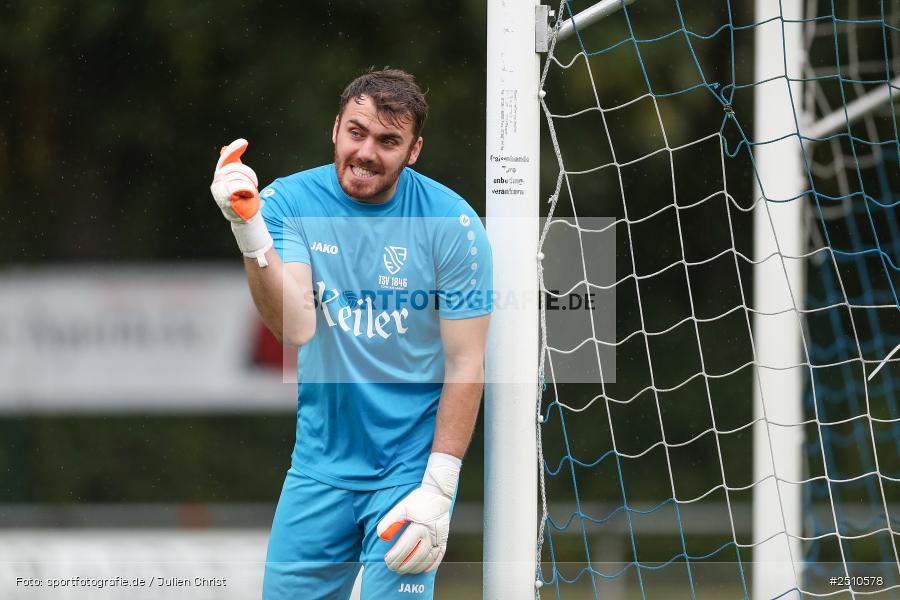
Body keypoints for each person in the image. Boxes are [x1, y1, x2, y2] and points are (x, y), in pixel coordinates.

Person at [209, 68, 493, 599]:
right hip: (317, 471)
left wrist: (439, 488)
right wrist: (248, 228)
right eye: (356, 132)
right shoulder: (289, 201)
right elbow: (296, 326)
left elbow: (466, 362)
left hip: (409, 475)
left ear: (413, 151)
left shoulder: (453, 224)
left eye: (388, 141)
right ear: (336, 129)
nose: (366, 152)